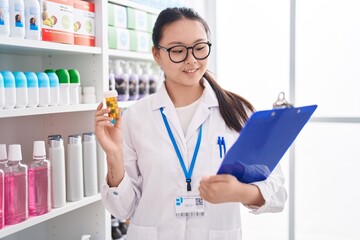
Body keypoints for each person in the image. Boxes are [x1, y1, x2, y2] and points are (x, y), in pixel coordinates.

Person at [95, 7, 287, 240]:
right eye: (178, 51)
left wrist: (240, 191)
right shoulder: (136, 117)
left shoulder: (239, 113)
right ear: (157, 54)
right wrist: (113, 155)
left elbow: (277, 193)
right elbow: (122, 209)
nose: (191, 60)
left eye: (199, 48)